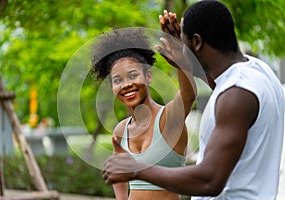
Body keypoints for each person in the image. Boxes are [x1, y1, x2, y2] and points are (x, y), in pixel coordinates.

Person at [102, 1, 285, 199]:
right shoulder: (257, 72)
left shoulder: (236, 94)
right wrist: (184, 62)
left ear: (197, 42)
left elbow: (209, 180)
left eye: (186, 43)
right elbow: (221, 81)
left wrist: (136, 170)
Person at [91, 28, 196, 200]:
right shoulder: (121, 130)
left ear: (148, 76)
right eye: (117, 80)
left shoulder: (168, 119)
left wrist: (182, 63)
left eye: (133, 75)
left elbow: (188, 95)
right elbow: (119, 174)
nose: (126, 85)